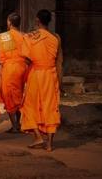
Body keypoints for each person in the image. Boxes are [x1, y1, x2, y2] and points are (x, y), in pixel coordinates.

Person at [20, 9, 63, 151]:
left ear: (37, 20)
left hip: (35, 73)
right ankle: (50, 144)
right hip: (51, 75)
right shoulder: (56, 37)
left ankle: (38, 136)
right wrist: (60, 82)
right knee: (50, 107)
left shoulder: (30, 36)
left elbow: (26, 59)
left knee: (29, 105)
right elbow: (59, 62)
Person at [0, 11, 28, 133]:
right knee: (19, 94)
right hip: (23, 67)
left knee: (9, 95)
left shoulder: (5, 36)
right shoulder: (25, 36)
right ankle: (18, 123)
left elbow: (4, 56)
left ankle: (15, 126)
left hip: (10, 68)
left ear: (9, 23)